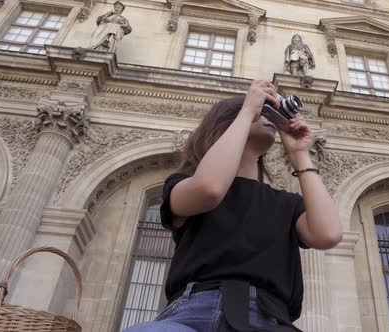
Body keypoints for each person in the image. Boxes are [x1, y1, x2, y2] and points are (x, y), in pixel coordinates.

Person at [125, 80, 342, 332]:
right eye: (263, 111)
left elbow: (328, 234)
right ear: (227, 123)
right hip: (192, 313)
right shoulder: (183, 184)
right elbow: (210, 189)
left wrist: (300, 154)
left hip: (269, 319)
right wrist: (248, 109)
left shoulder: (287, 203)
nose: (268, 116)